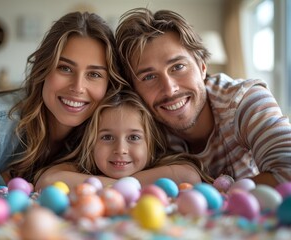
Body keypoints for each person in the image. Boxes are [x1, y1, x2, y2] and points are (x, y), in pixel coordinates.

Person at [0, 11, 128, 192]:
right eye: (65, 68)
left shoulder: (113, 128)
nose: (78, 87)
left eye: (94, 74)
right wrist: (4, 180)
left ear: (109, 84)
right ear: (43, 70)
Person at [115, 7, 291, 187]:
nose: (169, 89)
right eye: (149, 77)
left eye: (177, 67)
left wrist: (216, 199)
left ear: (202, 66)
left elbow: (288, 171)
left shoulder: (244, 100)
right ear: (134, 89)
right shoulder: (140, 126)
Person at [35, 89, 213, 191]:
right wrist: (122, 186)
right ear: (90, 143)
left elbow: (189, 176)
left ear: (150, 143)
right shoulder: (80, 168)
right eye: (107, 137)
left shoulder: (163, 165)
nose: (120, 149)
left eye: (134, 137)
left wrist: (115, 185)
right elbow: (47, 181)